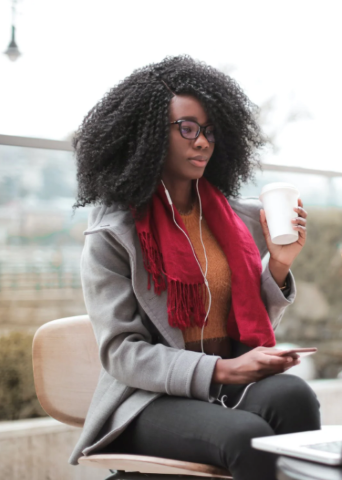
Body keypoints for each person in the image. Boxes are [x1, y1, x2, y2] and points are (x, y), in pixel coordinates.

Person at [68, 55, 321, 480]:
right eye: (187, 128)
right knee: (246, 436)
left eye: (209, 130)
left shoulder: (235, 219)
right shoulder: (114, 233)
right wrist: (222, 369)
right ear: (147, 134)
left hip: (224, 384)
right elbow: (121, 354)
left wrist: (278, 264)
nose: (202, 142)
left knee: (295, 397)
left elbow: (244, 316)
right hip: (148, 400)